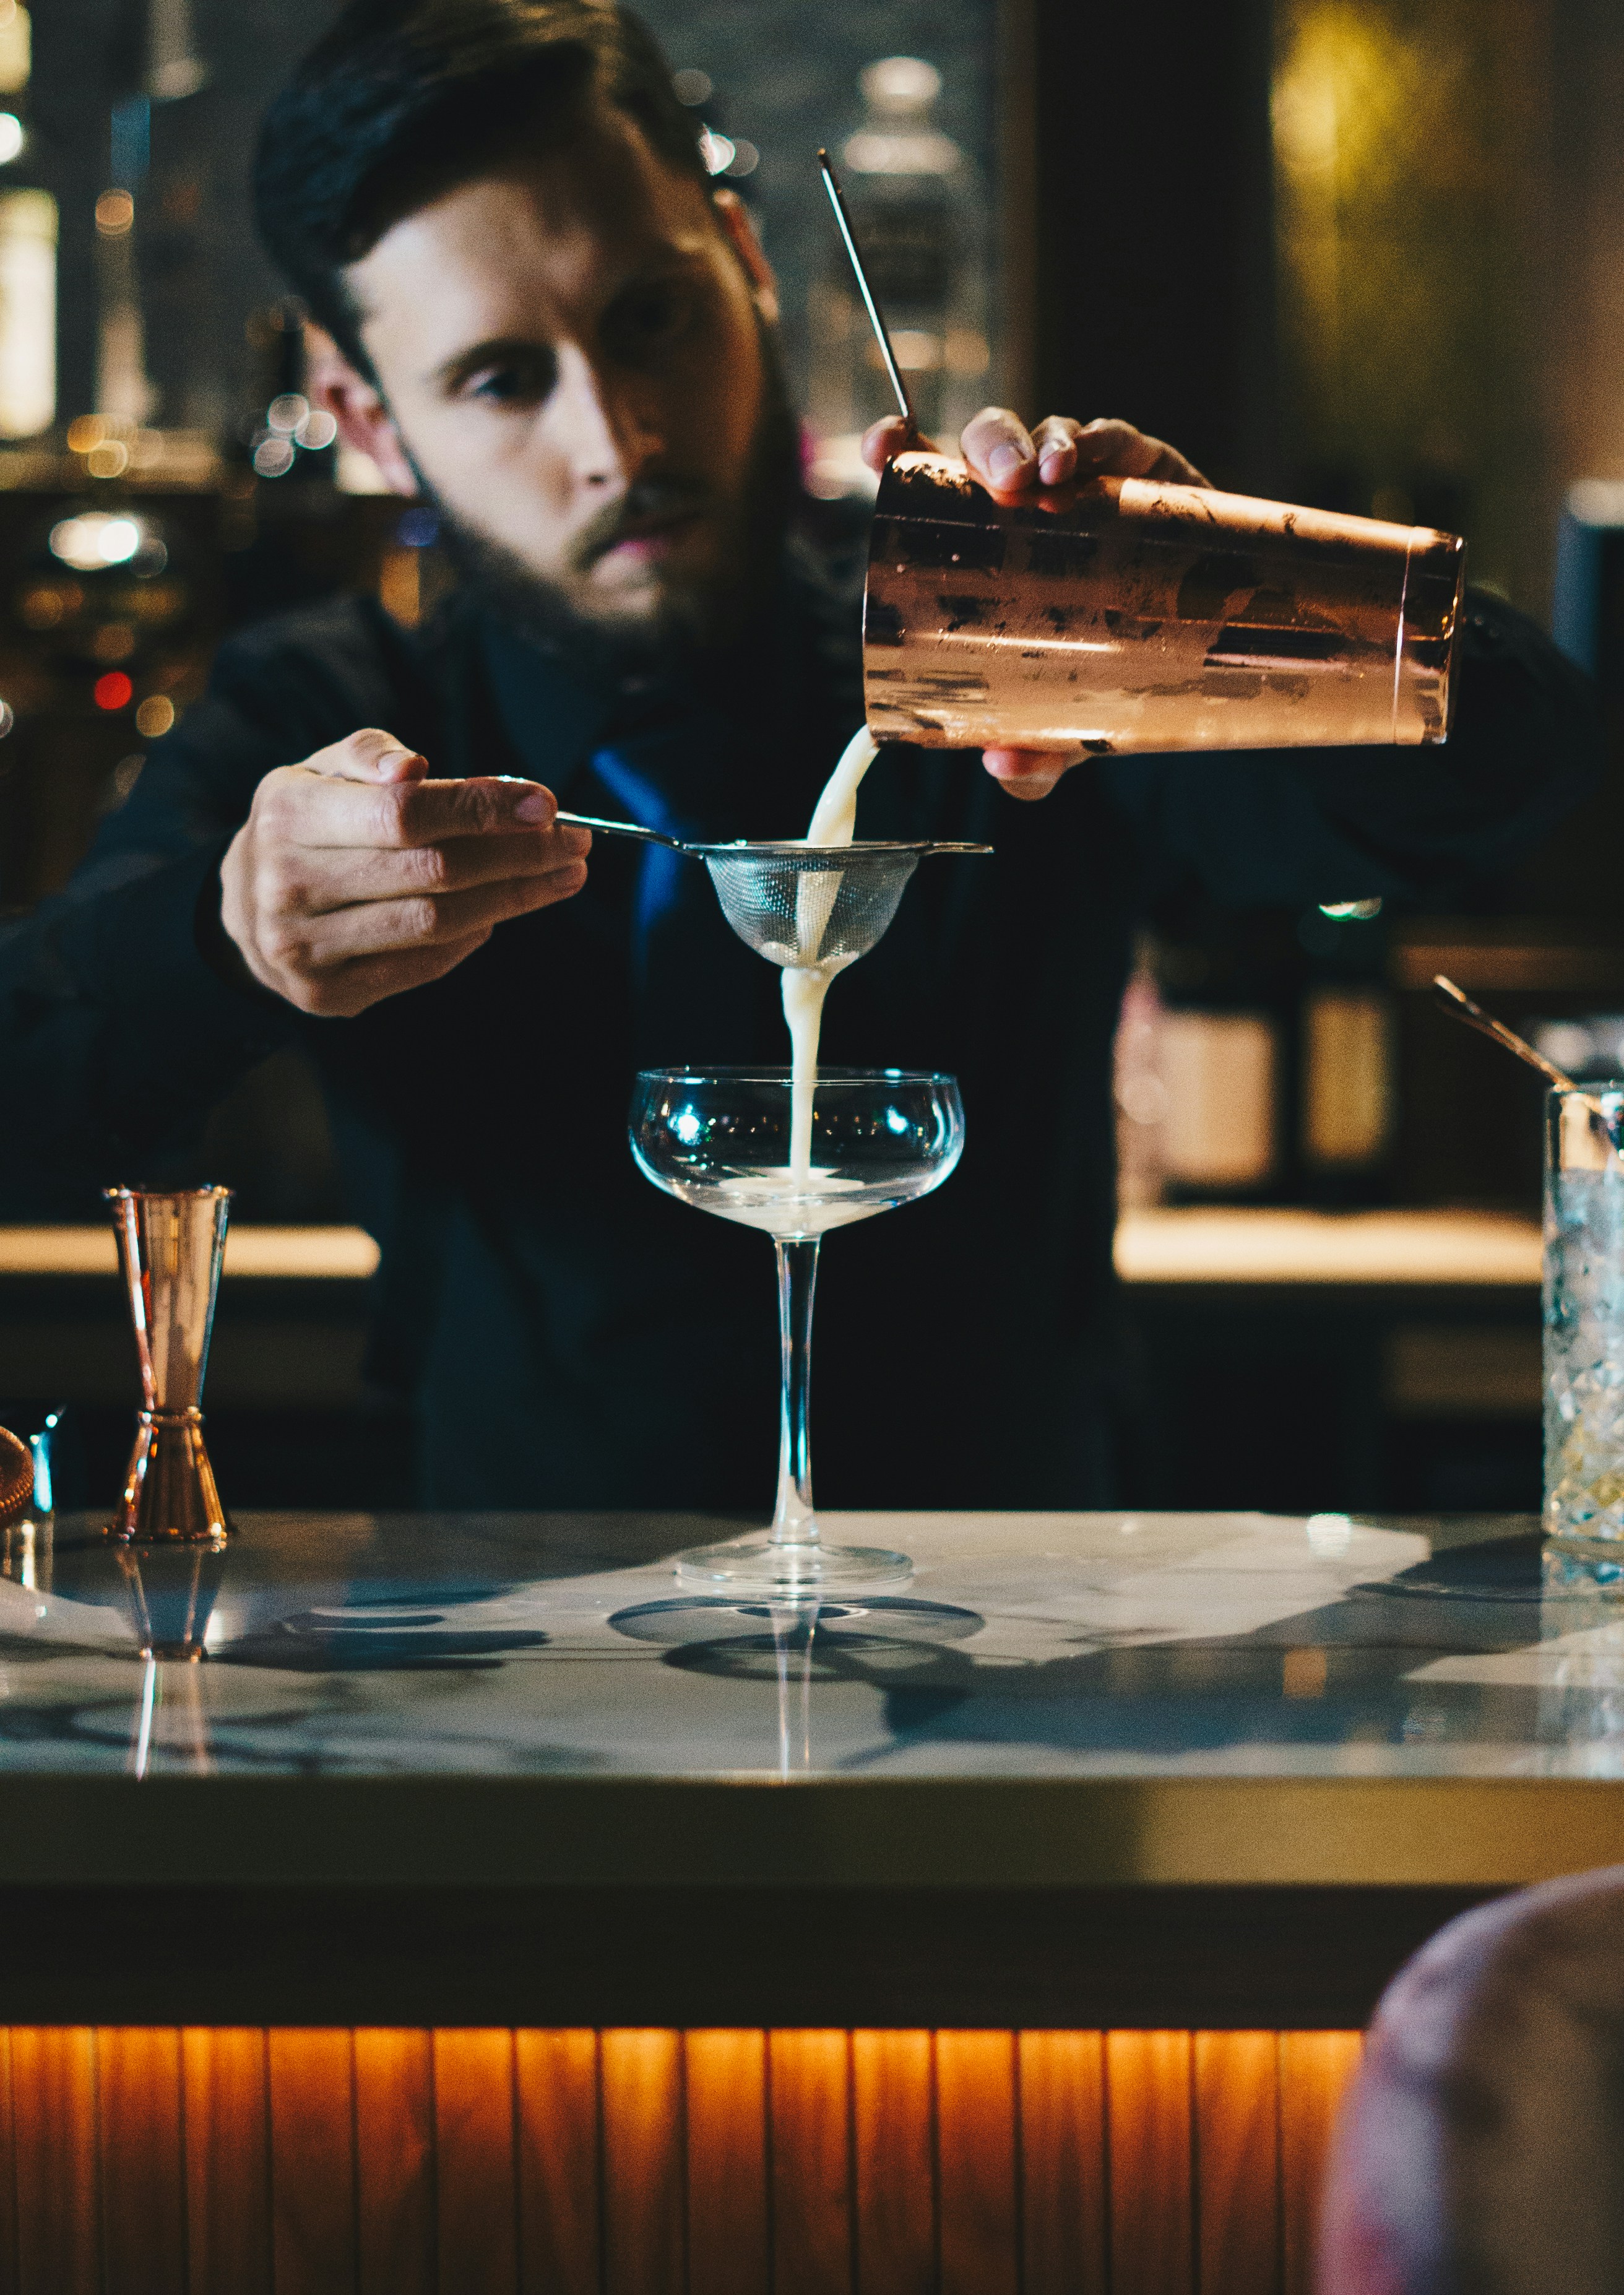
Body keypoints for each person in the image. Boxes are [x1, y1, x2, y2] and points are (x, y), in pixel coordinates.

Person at [0, 0, 1599, 1510]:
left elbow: (1519, 794)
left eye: (653, 317)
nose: (616, 439)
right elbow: (33, 1080)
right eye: (501, 379)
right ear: (363, 419)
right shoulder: (334, 711)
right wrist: (232, 933)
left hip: (1014, 1679)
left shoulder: (1016, 670)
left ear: (748, 262)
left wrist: (1222, 609)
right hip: (512, 1683)